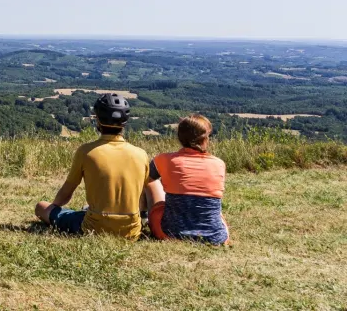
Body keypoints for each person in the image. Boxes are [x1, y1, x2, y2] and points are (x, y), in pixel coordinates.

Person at [35, 93, 149, 239]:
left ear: (98, 120)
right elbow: (144, 196)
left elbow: (66, 193)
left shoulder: (86, 152)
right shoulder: (141, 154)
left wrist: (53, 207)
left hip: (94, 228)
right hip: (131, 231)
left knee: (41, 207)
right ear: (124, 123)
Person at [143, 114, 230, 245]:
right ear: (205, 139)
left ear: (180, 138)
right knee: (216, 211)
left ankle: (141, 216)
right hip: (217, 237)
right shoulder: (219, 163)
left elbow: (145, 179)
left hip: (169, 233)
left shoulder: (163, 160)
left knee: (151, 181)